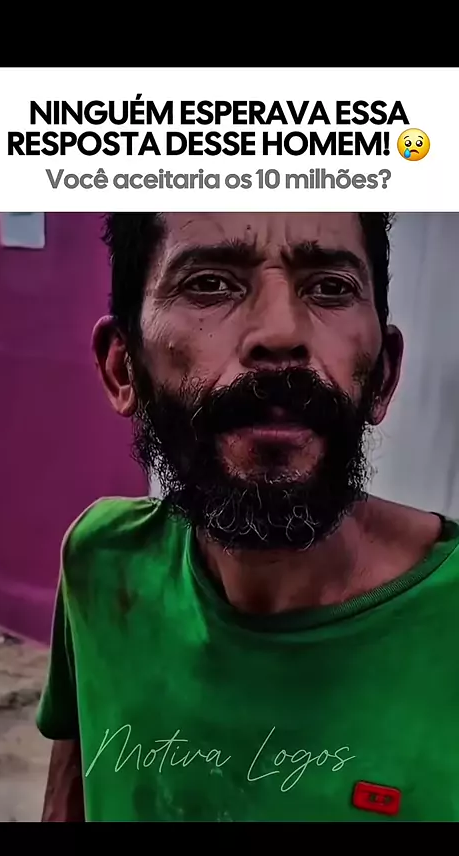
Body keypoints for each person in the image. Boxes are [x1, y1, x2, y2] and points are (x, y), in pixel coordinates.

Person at [37, 211, 459, 823]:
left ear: (383, 375)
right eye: (209, 283)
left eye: (330, 287)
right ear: (123, 368)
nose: (281, 332)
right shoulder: (101, 561)